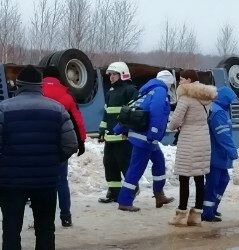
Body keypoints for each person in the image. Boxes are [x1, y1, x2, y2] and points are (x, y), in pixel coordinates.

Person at [0, 66, 79, 250]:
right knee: (45, 228)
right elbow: (71, 144)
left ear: (19, 86)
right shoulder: (57, 110)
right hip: (45, 181)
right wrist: (51, 161)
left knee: (11, 229)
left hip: (11, 181)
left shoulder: (3, 109)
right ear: (40, 86)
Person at [113, 69, 176, 211]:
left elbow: (134, 107)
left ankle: (159, 194)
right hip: (146, 137)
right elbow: (157, 113)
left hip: (143, 134)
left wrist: (120, 128)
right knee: (137, 167)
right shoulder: (160, 91)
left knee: (159, 162)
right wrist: (154, 132)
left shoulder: (148, 90)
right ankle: (125, 201)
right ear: (169, 82)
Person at [166, 71, 217, 226]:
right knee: (199, 177)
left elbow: (175, 122)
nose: (179, 82)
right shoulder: (206, 97)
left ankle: (181, 214)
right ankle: (196, 215)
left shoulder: (185, 98)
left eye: (181, 79)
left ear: (189, 80)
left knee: (184, 177)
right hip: (203, 138)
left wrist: (170, 126)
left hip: (189, 139)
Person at [42, 72, 88, 228]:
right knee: (61, 181)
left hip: (40, 146)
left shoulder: (36, 93)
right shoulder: (67, 96)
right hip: (60, 146)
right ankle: (65, 217)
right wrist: (81, 141)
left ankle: (42, 218)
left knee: (41, 183)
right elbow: (77, 120)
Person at [97, 61, 137, 203]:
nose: (111, 77)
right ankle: (114, 193)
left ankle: (131, 190)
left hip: (123, 136)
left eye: (115, 74)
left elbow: (132, 113)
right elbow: (106, 113)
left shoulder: (130, 90)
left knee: (124, 164)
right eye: (110, 74)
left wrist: (126, 129)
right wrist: (102, 129)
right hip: (110, 136)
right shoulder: (110, 92)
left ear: (123, 75)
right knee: (109, 163)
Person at [202, 84, 238, 223]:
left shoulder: (218, 109)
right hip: (216, 153)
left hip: (217, 152)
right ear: (225, 99)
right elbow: (222, 135)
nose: (231, 103)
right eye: (230, 100)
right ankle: (207, 212)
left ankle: (212, 208)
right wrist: (232, 151)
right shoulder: (218, 112)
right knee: (214, 182)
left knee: (223, 180)